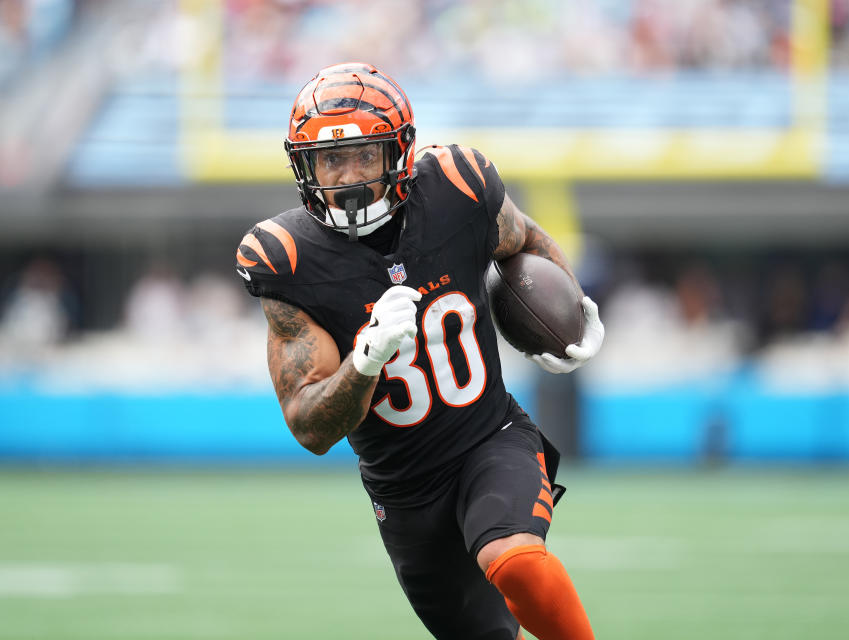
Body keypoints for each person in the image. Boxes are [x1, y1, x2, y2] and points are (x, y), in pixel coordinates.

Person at [235, 62, 604, 640]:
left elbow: (523, 238)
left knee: (514, 558)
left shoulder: (457, 188)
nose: (349, 177)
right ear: (305, 166)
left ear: (400, 154)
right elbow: (309, 427)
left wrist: (569, 307)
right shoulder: (286, 258)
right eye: (332, 159)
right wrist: (365, 358)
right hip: (405, 491)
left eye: (365, 155)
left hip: (490, 438)